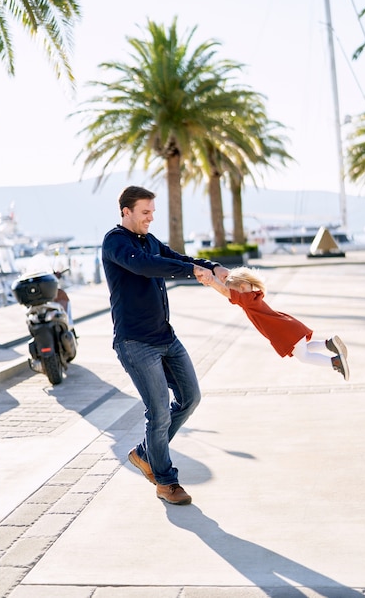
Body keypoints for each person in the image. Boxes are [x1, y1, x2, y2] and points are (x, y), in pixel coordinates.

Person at [102, 186, 228, 505]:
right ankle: (166, 481)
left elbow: (176, 258)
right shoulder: (115, 242)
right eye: (145, 212)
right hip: (135, 343)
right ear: (126, 212)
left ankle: (145, 453)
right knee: (158, 412)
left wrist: (210, 266)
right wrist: (190, 271)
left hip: (165, 337)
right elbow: (145, 266)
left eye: (152, 212)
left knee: (190, 398)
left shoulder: (150, 241)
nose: (150, 217)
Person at [202, 265, 349, 381]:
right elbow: (226, 290)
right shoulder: (252, 297)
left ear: (241, 288)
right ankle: (328, 344)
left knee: (304, 357)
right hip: (287, 326)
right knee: (301, 350)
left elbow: (224, 291)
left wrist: (212, 281)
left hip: (284, 330)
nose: (231, 297)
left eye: (232, 291)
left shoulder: (245, 300)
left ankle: (335, 362)